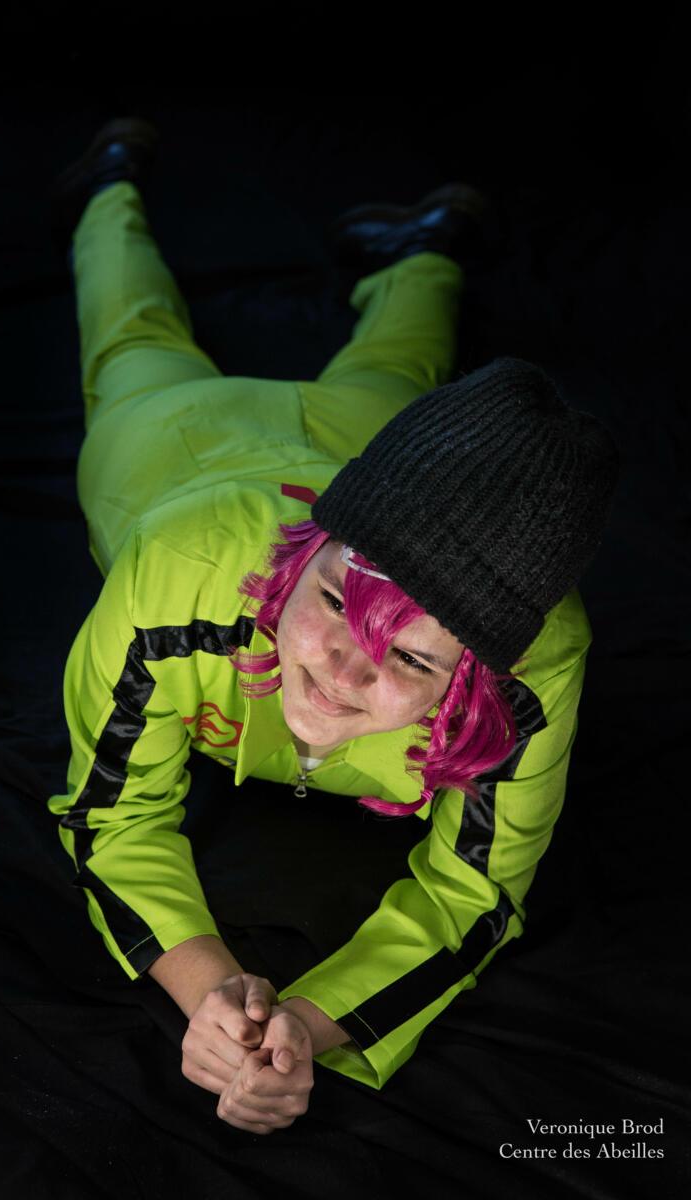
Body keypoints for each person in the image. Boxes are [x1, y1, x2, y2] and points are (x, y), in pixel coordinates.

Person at [47, 119, 619, 1137]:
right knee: (131, 340)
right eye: (332, 603)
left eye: (412, 656)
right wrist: (207, 991)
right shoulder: (178, 576)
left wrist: (303, 1030)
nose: (342, 671)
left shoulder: (535, 668)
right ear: (305, 552)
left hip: (368, 434)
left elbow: (472, 893)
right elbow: (110, 817)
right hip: (180, 445)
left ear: (474, 681)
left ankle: (424, 251)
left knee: (400, 365)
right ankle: (108, 191)